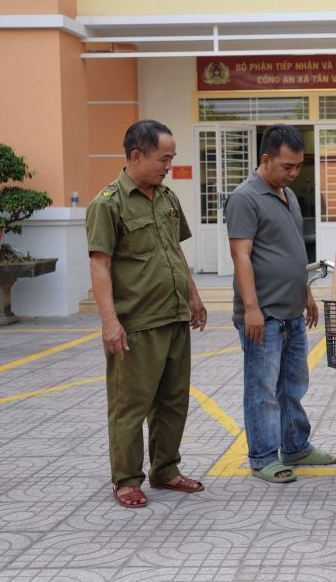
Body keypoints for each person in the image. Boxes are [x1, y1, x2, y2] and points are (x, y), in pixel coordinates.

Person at [86, 120, 208, 509]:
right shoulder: (108, 203)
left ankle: (166, 470)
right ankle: (126, 480)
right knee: (130, 405)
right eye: (163, 158)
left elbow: (175, 252)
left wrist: (194, 295)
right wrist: (110, 322)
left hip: (173, 317)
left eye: (171, 159)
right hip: (136, 323)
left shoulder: (168, 198)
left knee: (173, 400)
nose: (168, 166)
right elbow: (100, 265)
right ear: (136, 156)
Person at [225, 124, 336, 484]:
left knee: (293, 385)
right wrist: (252, 308)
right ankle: (262, 457)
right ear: (265, 159)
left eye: (298, 166)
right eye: (287, 166)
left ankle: (296, 445)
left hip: (290, 311)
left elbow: (294, 251)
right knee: (263, 389)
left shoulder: (287, 195)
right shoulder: (246, 198)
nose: (293, 173)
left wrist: (306, 294)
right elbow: (241, 257)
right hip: (265, 315)